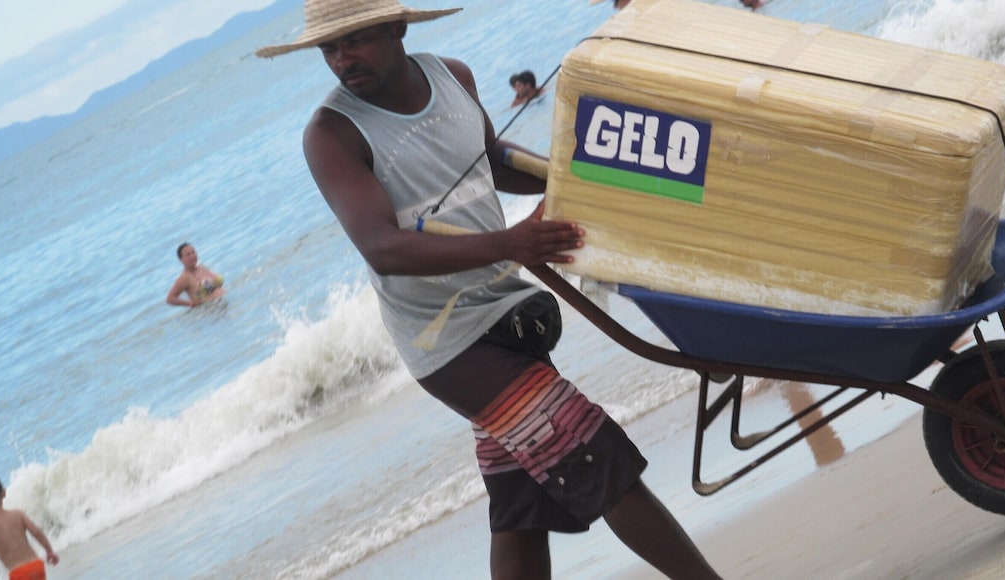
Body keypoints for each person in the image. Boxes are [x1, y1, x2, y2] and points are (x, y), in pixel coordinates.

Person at [255, 1, 722, 578]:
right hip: (449, 344)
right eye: (329, 49)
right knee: (598, 455)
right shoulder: (331, 134)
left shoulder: (453, 76)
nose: (341, 59)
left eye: (356, 40)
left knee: (521, 511)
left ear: (397, 28)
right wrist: (509, 244)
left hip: (504, 309)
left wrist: (571, 176)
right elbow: (382, 247)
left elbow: (492, 157)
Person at [0, 473, 59, 580]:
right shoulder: (17, 514)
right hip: (36, 566)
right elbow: (37, 533)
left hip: (18, 573)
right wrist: (49, 551)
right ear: (3, 492)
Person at [166, 242, 226, 307]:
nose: (192, 256)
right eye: (188, 255)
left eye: (193, 252)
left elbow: (216, 285)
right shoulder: (185, 277)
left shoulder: (202, 267)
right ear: (181, 260)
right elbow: (170, 299)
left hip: (224, 303)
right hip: (213, 310)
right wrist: (189, 303)